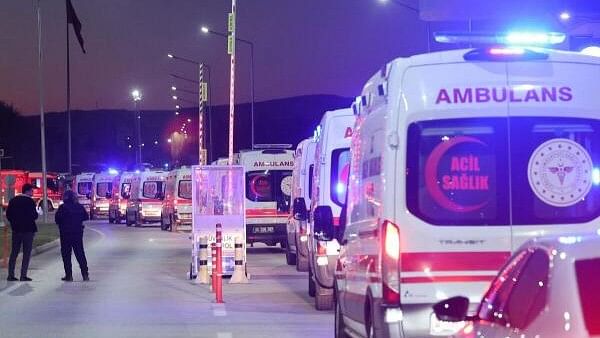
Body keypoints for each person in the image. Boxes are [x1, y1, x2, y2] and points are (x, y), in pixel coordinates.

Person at [5, 183, 38, 282]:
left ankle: (10, 275)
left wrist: (14, 224)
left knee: (14, 253)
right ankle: (23, 275)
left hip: (16, 230)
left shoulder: (13, 200)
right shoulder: (30, 202)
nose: (32, 192)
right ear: (27, 191)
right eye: (32, 191)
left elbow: (8, 215)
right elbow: (34, 216)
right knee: (26, 253)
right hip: (28, 230)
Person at [55, 190, 89, 282]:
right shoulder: (79, 207)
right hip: (77, 233)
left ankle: (69, 275)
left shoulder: (62, 208)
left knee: (66, 255)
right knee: (80, 253)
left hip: (65, 234)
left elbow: (57, 219)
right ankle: (85, 274)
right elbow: (86, 217)